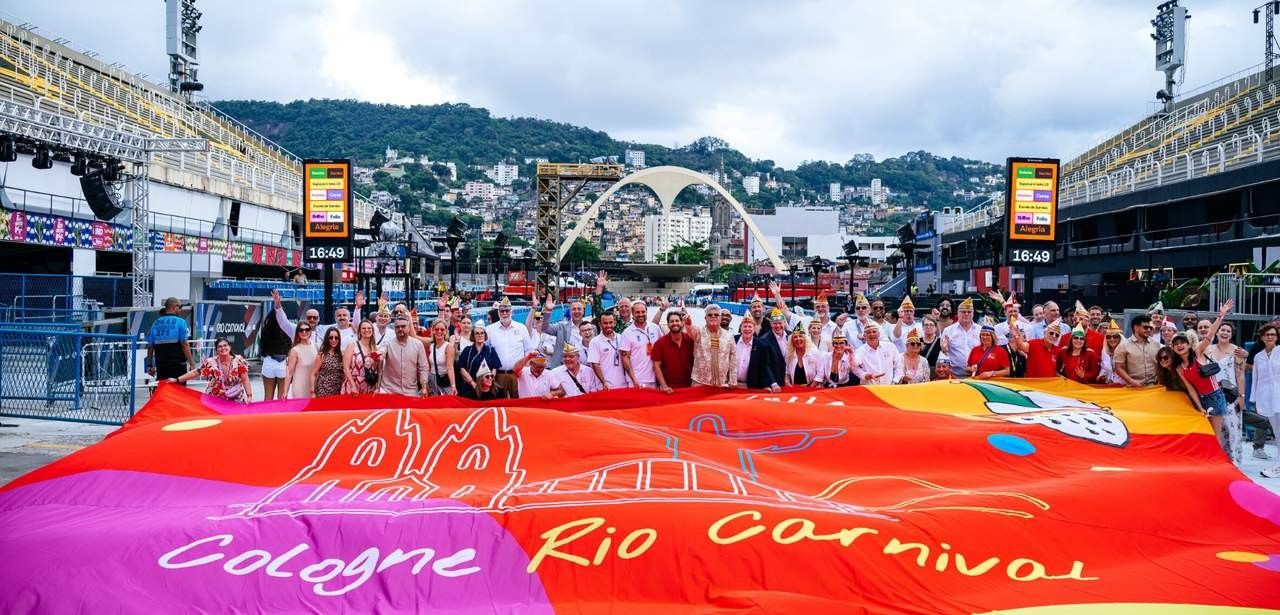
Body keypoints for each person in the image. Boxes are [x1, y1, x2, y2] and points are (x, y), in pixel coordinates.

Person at [1169, 301, 1235, 453]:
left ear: (1188, 344)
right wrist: (1199, 407)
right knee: (1205, 433)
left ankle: (1218, 464)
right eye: (1176, 344)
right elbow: (1190, 388)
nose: (1179, 346)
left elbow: (1210, 335)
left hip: (1215, 396)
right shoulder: (1179, 367)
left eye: (1182, 343)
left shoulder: (1197, 353)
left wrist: (1221, 316)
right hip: (1201, 399)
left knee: (1215, 434)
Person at [1206, 321, 1271, 460]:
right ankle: (1214, 458)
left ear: (1231, 334)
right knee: (1213, 428)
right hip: (1210, 394)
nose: (1224, 333)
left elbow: (1240, 375)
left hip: (1230, 394)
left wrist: (1241, 397)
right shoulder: (1208, 349)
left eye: (1228, 331)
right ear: (1216, 332)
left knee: (1231, 427)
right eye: (1222, 330)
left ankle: (1232, 459)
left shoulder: (1238, 351)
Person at [168, 337, 252, 402]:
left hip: (236, 399)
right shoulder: (210, 362)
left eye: (225, 345)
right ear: (216, 350)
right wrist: (177, 380)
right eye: (220, 346)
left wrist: (249, 396)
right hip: (215, 399)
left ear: (229, 347)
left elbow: (245, 380)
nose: (223, 348)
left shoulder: (239, 360)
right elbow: (196, 372)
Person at [486, 297, 533, 395]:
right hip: (498, 375)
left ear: (512, 312)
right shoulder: (489, 330)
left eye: (507, 310)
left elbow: (528, 350)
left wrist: (527, 371)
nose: (504, 313)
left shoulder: (521, 328)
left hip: (518, 374)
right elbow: (486, 352)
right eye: (502, 311)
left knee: (518, 404)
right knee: (500, 405)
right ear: (498, 313)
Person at [1250, 325, 1280, 477]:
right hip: (1266, 398)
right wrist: (1253, 398)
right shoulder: (1258, 356)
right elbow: (1255, 378)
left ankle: (1278, 465)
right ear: (1261, 337)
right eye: (1267, 334)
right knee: (1277, 432)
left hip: (1279, 395)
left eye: (1273, 334)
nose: (1270, 337)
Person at [146, 297, 193, 384]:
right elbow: (184, 344)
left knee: (164, 392)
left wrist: (149, 365)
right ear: (174, 307)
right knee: (179, 393)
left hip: (161, 366)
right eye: (180, 307)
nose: (181, 310)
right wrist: (192, 364)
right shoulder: (181, 322)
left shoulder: (156, 323)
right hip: (178, 366)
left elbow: (150, 346)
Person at [380, 317, 430, 397]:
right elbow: (381, 352)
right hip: (389, 390)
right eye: (397, 327)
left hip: (410, 391)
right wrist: (378, 356)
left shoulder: (418, 344)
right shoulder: (388, 343)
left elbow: (423, 367)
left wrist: (424, 386)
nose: (400, 329)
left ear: (409, 327)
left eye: (403, 326)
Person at [620, 300, 664, 389]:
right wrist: (634, 379)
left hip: (654, 378)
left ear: (646, 312)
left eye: (643, 312)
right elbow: (625, 358)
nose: (641, 314)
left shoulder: (655, 328)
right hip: (637, 380)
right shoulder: (627, 333)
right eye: (637, 312)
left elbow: (663, 348)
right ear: (632, 313)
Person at [691, 303, 736, 388]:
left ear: (720, 317)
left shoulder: (729, 335)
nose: (713, 316)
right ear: (705, 318)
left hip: (721, 382)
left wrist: (733, 381)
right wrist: (688, 324)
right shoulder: (698, 332)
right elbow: (690, 330)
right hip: (699, 381)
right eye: (710, 315)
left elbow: (733, 359)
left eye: (716, 315)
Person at [257, 298, 292, 401]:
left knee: (268, 397)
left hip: (269, 361)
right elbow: (290, 346)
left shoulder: (265, 329)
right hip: (282, 363)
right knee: (282, 397)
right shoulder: (286, 329)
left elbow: (262, 346)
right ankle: (280, 417)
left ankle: (266, 417)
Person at [653, 311, 695, 392]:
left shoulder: (690, 340)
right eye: (671, 321)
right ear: (668, 324)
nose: (674, 323)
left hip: (689, 387)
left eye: (677, 321)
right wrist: (664, 386)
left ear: (682, 323)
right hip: (669, 388)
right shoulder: (660, 343)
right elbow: (656, 366)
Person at [1114, 314, 1160, 387]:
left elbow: (1160, 364)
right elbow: (1118, 368)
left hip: (1154, 387)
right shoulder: (1123, 346)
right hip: (1133, 387)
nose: (1148, 330)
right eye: (1145, 327)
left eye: (1150, 328)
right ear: (1136, 328)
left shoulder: (1156, 344)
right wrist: (1131, 381)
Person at [456, 327, 501, 399]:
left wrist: (489, 381)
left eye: (482, 333)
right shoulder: (467, 350)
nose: (480, 335)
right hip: (470, 387)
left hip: (487, 388)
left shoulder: (490, 350)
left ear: (485, 335)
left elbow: (495, 368)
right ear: (473, 336)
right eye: (477, 333)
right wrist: (473, 384)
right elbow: (462, 368)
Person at [588, 312, 629, 389]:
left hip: (623, 385)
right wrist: (604, 382)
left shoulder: (621, 338)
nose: (608, 325)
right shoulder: (595, 342)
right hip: (605, 387)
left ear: (615, 323)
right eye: (605, 323)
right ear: (600, 324)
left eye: (611, 322)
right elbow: (595, 364)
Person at [941, 297, 981, 377]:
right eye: (963, 312)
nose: (966, 314)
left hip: (977, 375)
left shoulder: (980, 330)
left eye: (969, 312)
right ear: (958, 314)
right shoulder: (948, 331)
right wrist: (944, 350)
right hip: (954, 376)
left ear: (973, 314)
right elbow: (944, 355)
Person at [342, 320, 383, 396]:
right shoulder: (352, 345)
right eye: (363, 328)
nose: (366, 330)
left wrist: (378, 387)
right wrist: (353, 386)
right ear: (359, 331)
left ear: (372, 331)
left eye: (369, 328)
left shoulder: (376, 348)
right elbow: (346, 368)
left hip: (370, 386)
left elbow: (379, 371)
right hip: (353, 385)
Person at [283, 321, 318, 398]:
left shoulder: (316, 346)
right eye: (301, 330)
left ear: (310, 331)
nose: (304, 332)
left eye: (307, 329)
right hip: (300, 388)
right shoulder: (295, 350)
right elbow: (289, 373)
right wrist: (285, 392)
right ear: (297, 333)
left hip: (314, 386)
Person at [424, 319, 457, 396]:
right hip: (431, 380)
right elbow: (415, 337)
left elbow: (450, 368)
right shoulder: (431, 346)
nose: (439, 331)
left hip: (443, 381)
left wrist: (453, 386)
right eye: (437, 329)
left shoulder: (448, 347)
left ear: (446, 331)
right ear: (433, 331)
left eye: (442, 329)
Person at [311, 329, 345, 397]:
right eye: (331, 337)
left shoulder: (342, 354)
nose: (333, 340)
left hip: (338, 391)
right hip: (323, 391)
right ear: (327, 339)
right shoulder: (322, 355)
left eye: (336, 338)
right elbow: (313, 374)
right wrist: (312, 392)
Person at [1098, 319, 1126, 385]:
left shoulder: (1126, 350)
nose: (1112, 339)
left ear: (1120, 338)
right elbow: (1103, 368)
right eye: (1108, 337)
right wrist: (1101, 376)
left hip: (1124, 386)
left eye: (1115, 336)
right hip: (1109, 385)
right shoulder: (1104, 351)